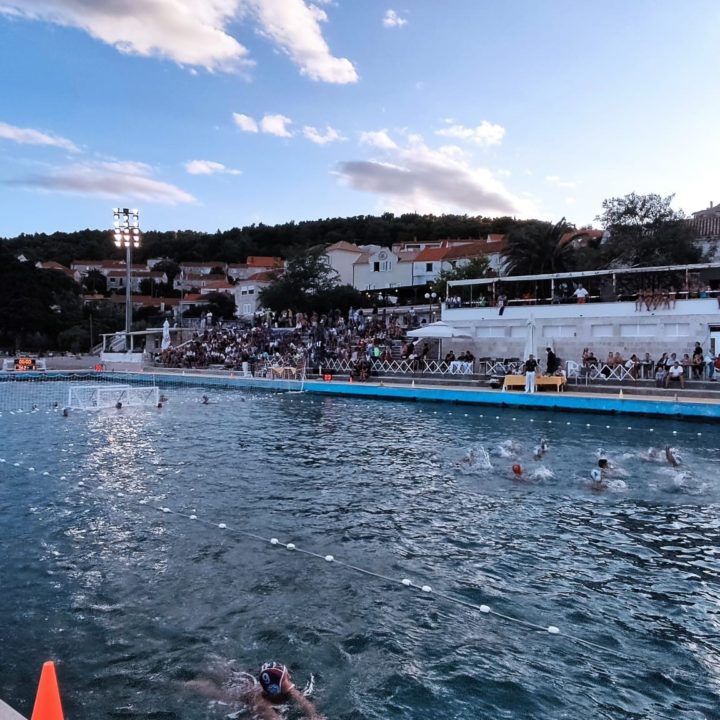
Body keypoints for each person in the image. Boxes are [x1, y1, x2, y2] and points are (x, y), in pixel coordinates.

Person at [186, 661, 325, 720]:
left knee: (232, 673)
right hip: (240, 694)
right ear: (276, 688)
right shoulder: (262, 706)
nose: (290, 677)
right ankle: (187, 685)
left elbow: (304, 702)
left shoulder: (284, 689)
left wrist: (313, 715)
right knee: (216, 693)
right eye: (286, 678)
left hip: (249, 683)